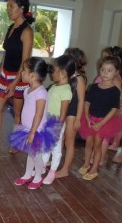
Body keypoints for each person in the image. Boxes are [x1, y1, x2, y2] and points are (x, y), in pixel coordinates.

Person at [0, 0, 35, 152]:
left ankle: (16, 143)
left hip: (20, 77)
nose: (7, 9)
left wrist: (15, 82)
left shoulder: (27, 31)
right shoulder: (10, 28)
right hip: (5, 74)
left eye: (11, 6)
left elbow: (25, 60)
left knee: (17, 112)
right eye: (7, 6)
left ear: (21, 8)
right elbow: (7, 54)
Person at [9, 57, 60, 189]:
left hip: (36, 130)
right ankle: (27, 175)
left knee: (35, 155)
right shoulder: (27, 90)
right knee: (30, 153)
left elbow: (38, 114)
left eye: (24, 71)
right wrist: (22, 123)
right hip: (27, 128)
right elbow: (27, 109)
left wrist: (32, 132)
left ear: (32, 75)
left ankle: (37, 177)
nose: (21, 73)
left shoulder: (41, 93)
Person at [78, 56, 122, 180]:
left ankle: (94, 169)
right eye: (103, 69)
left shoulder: (114, 91)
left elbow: (114, 109)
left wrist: (101, 123)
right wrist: (87, 117)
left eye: (109, 70)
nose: (105, 73)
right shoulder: (93, 87)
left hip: (103, 122)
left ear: (116, 72)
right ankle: (86, 164)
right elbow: (87, 102)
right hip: (90, 119)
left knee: (97, 146)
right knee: (88, 144)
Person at [42, 55, 75, 185]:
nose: (51, 73)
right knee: (46, 145)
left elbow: (63, 112)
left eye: (53, 70)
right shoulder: (54, 87)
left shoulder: (66, 90)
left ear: (63, 72)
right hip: (47, 121)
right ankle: (43, 165)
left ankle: (53, 171)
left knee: (55, 148)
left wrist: (58, 127)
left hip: (56, 123)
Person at [90, 46, 122, 165]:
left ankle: (101, 157)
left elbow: (119, 95)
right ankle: (95, 156)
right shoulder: (100, 78)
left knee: (104, 138)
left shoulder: (115, 79)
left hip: (107, 113)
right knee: (96, 138)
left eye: (106, 57)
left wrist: (118, 109)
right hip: (97, 111)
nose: (104, 59)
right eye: (103, 57)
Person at [55, 48, 87, 178]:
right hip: (66, 111)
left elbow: (81, 100)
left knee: (69, 142)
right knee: (60, 139)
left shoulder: (79, 79)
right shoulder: (67, 76)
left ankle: (65, 169)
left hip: (73, 114)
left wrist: (78, 118)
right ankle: (56, 163)